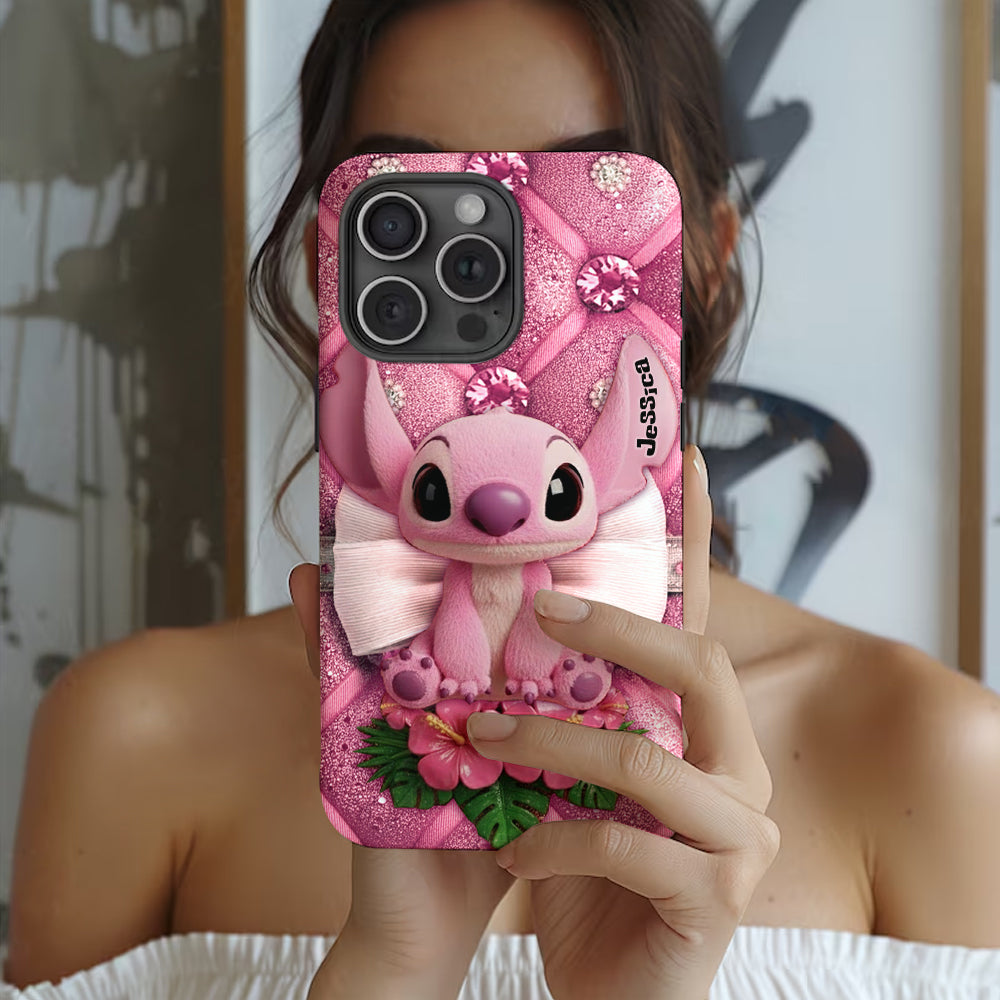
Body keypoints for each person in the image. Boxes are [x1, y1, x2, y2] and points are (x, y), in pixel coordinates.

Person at [5, 1, 1000, 997]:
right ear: (328, 265)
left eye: (581, 197)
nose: (512, 283)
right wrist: (396, 970)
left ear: (705, 255)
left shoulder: (932, 756)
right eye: (412, 211)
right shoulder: (135, 738)